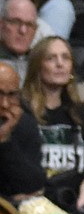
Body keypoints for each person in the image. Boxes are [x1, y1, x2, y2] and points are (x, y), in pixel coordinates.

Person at [22, 36, 84, 210]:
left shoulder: (79, 113)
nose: (60, 64)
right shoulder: (23, 112)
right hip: (33, 204)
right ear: (38, 66)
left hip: (74, 202)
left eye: (65, 57)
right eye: (51, 58)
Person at [0, 59, 46, 200]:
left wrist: (4, 140)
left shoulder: (24, 123)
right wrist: (10, 200)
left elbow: (33, 184)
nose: (5, 104)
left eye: (12, 95)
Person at [0, 0, 41, 81]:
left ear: (35, 30)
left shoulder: (42, 64)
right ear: (1, 24)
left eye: (29, 25)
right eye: (16, 22)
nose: (23, 30)